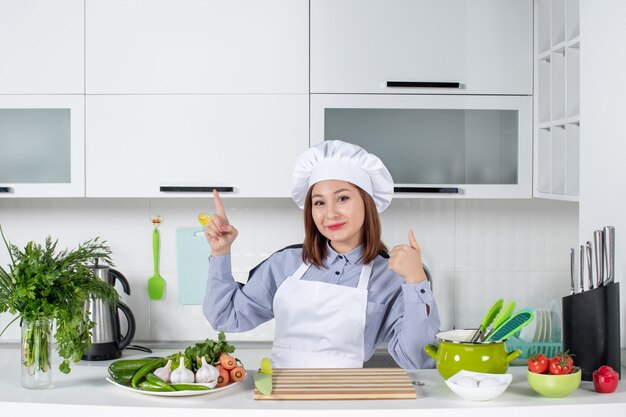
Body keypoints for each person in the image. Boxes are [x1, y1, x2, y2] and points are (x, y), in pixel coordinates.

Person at [203, 140, 440, 369]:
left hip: (344, 401)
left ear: (367, 203)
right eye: (319, 203)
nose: (330, 213)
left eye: (343, 198)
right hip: (282, 399)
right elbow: (225, 318)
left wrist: (417, 282)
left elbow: (418, 361)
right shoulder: (284, 264)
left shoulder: (390, 277)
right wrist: (220, 252)